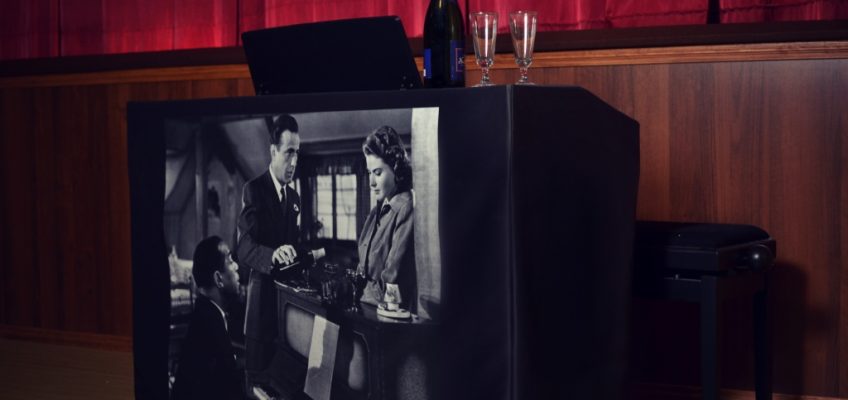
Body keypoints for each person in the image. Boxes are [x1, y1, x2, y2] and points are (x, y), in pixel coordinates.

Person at [235, 114, 306, 389]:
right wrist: (272, 255)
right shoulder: (253, 190)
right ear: (273, 151)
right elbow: (244, 247)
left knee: (284, 388)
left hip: (289, 317)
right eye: (289, 152)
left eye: (297, 153)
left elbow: (294, 248)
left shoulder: (295, 198)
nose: (294, 161)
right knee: (258, 389)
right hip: (261, 315)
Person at [172, 236, 243, 400]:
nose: (237, 266)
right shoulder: (211, 325)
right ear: (218, 279)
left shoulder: (205, 313)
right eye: (230, 261)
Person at [356, 126, 417, 312]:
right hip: (366, 312)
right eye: (369, 173)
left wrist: (353, 290)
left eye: (378, 173)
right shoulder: (378, 210)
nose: (371, 182)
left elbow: (391, 287)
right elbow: (361, 269)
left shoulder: (406, 208)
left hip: (388, 319)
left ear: (395, 168)